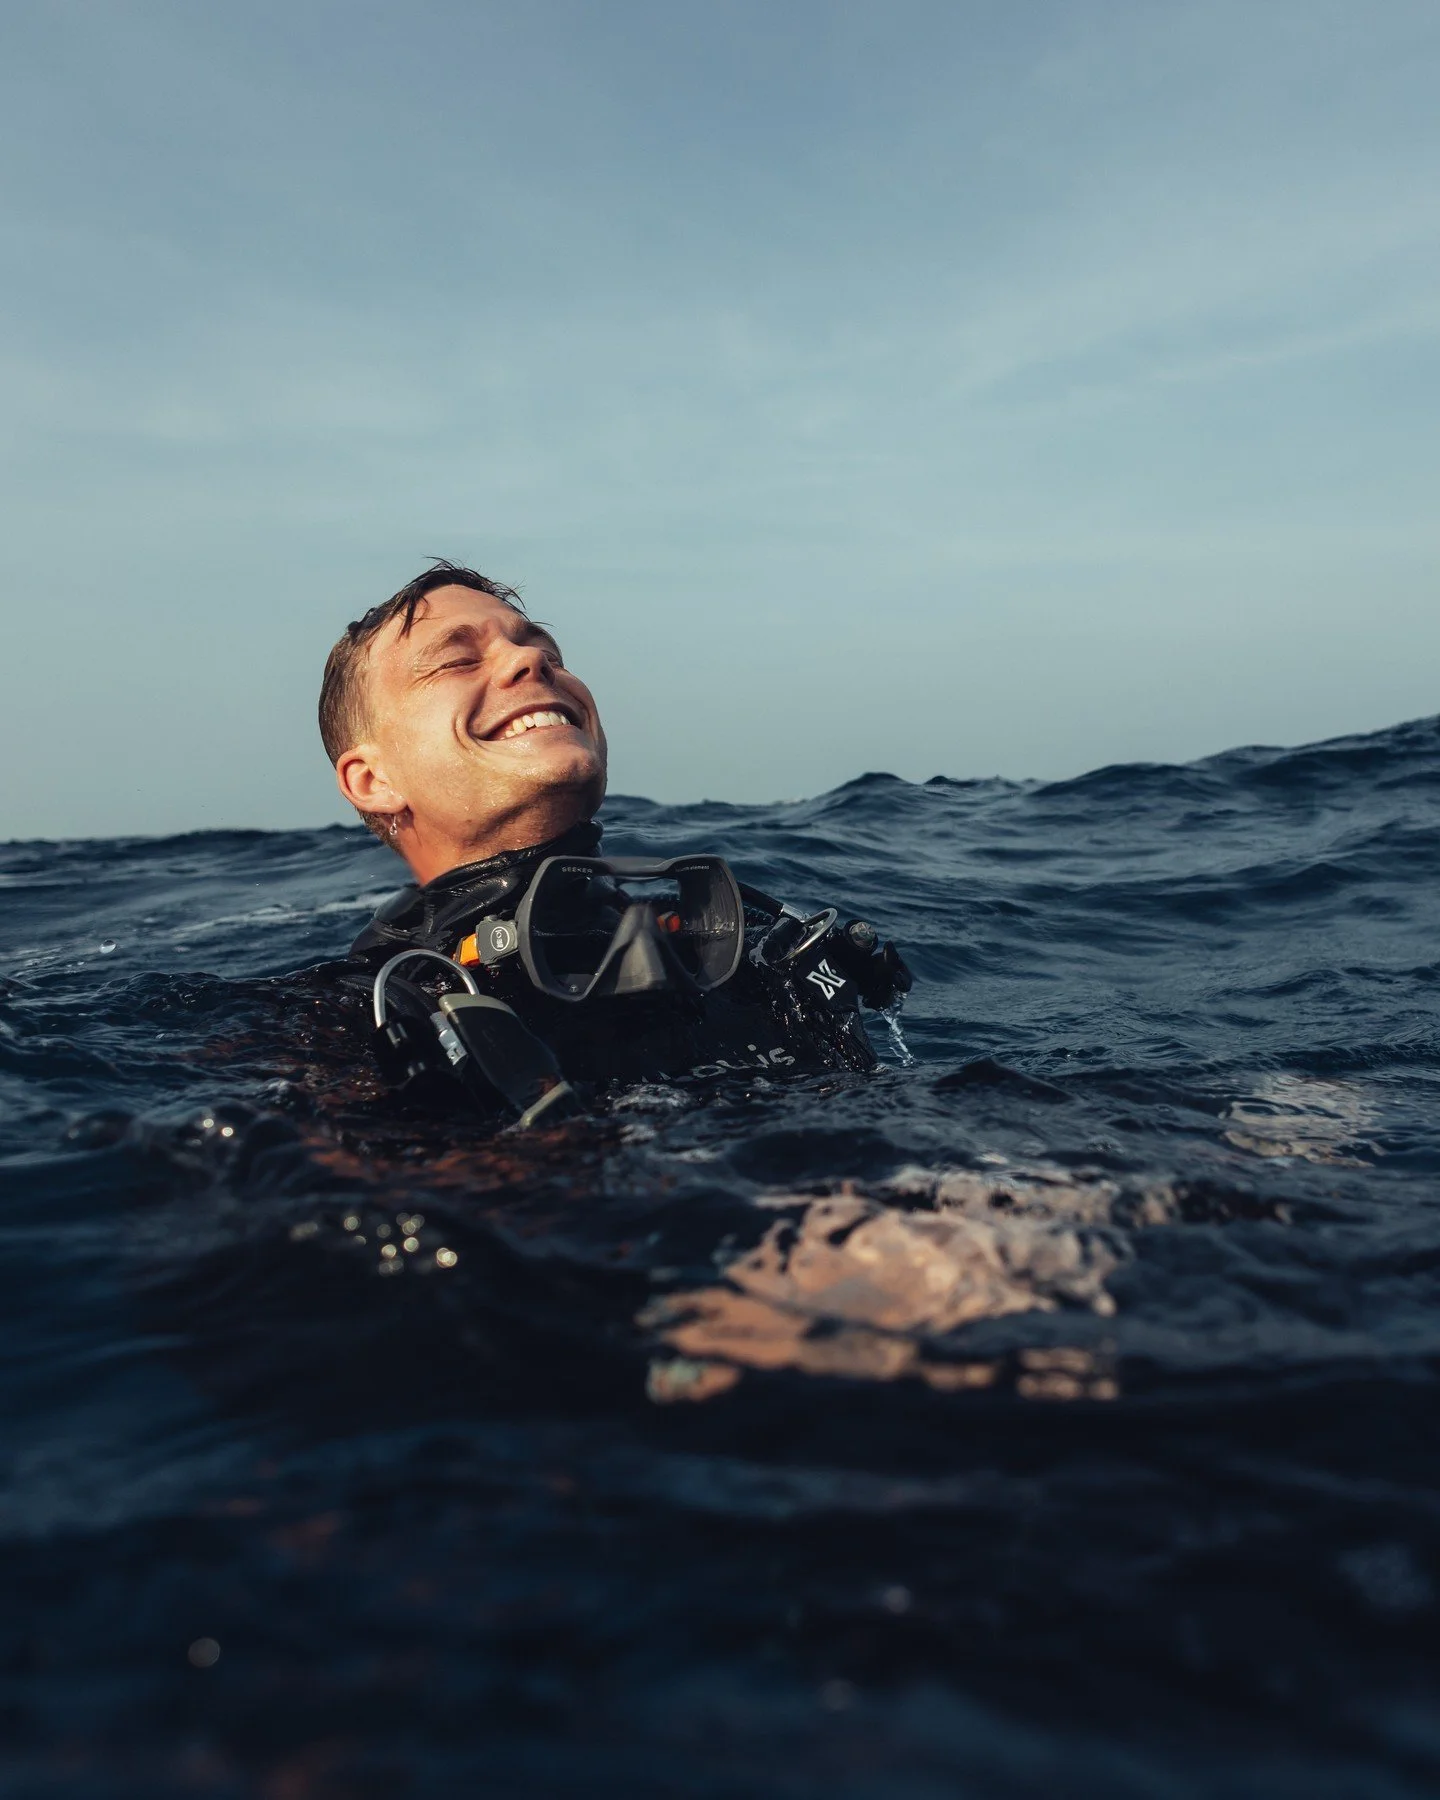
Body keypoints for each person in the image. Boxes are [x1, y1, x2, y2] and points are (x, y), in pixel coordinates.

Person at [320, 562, 911, 1126]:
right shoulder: (356, 1020)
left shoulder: (743, 947)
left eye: (548, 651)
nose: (532, 659)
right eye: (456, 660)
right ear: (374, 782)